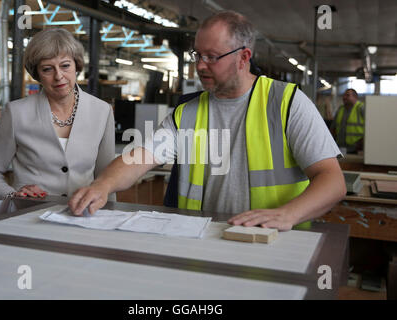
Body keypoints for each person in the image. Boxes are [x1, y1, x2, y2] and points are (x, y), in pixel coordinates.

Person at [69, 11, 346, 231]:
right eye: (197, 55)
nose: (200, 66)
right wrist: (102, 185)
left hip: (272, 240)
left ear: (244, 57)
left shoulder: (286, 103)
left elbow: (332, 181)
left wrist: (288, 214)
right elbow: (138, 159)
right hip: (205, 240)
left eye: (211, 57)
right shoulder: (187, 112)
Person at [0, 28, 115, 201]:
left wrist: (107, 218)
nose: (58, 76)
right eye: (47, 69)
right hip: (29, 216)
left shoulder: (102, 111)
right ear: (37, 74)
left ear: (76, 65)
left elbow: (107, 178)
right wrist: (13, 196)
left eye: (65, 65)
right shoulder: (17, 113)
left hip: (84, 216)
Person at [331, 89, 365, 153]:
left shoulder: (361, 108)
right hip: (340, 148)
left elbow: (371, 129)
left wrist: (362, 143)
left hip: (357, 149)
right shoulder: (340, 109)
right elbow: (333, 128)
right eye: (344, 95)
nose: (344, 97)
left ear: (355, 97)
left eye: (347, 95)